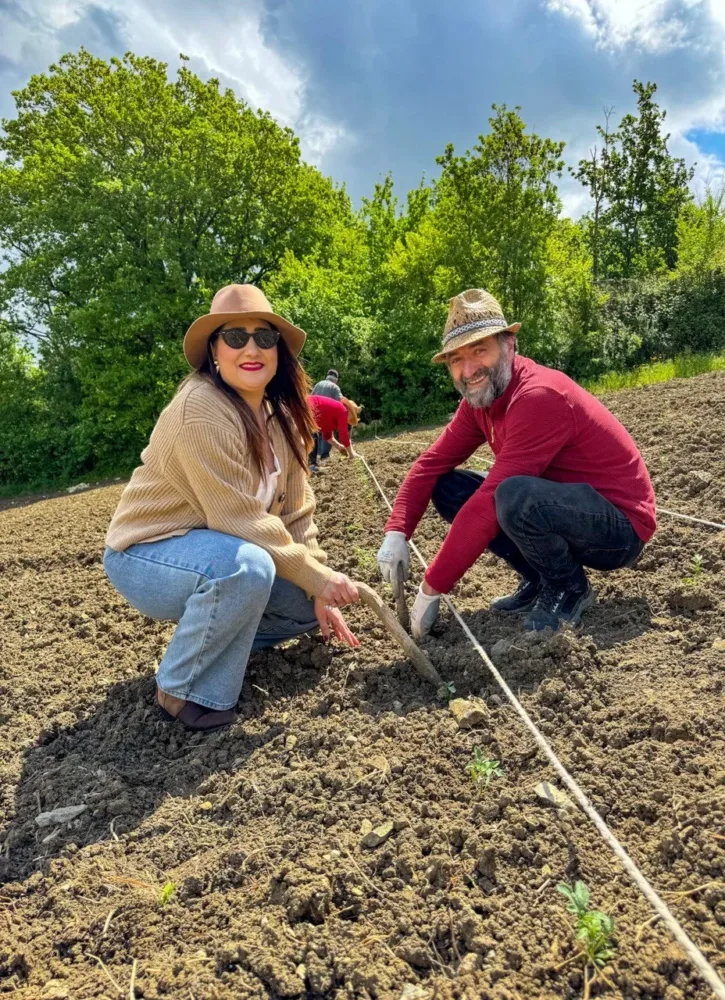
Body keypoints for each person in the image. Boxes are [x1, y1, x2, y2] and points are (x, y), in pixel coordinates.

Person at [104, 284, 360, 732]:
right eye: (235, 337)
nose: (251, 348)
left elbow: (296, 513)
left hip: (216, 552)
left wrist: (316, 582)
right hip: (147, 553)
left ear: (278, 350)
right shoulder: (200, 409)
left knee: (302, 607)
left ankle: (208, 645)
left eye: (264, 337)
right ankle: (180, 687)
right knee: (247, 568)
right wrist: (318, 577)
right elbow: (238, 520)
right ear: (214, 351)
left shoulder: (282, 416)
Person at [377, 288, 656, 637]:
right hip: (565, 506)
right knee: (450, 488)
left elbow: (490, 501)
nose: (468, 369)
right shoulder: (480, 402)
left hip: (619, 528)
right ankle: (539, 578)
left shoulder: (538, 396)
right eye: (455, 360)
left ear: (509, 346)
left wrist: (431, 588)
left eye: (480, 350)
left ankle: (569, 587)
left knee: (512, 496)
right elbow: (431, 464)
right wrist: (397, 531)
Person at [308, 394, 355, 471]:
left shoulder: (334, 411)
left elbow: (327, 436)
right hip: (308, 408)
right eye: (352, 417)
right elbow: (343, 435)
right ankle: (311, 466)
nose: (349, 421)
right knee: (312, 436)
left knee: (312, 434)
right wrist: (351, 454)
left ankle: (310, 465)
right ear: (350, 411)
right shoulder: (343, 410)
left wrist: (339, 446)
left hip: (309, 407)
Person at [311, 369, 342, 459]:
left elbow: (311, 397)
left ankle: (313, 459)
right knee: (327, 433)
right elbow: (339, 402)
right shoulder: (335, 387)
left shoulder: (318, 384)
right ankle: (324, 455)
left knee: (314, 435)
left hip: (314, 413)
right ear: (335, 380)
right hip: (327, 415)